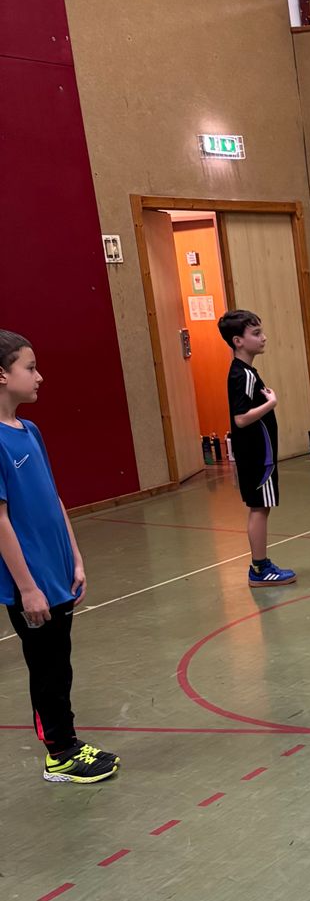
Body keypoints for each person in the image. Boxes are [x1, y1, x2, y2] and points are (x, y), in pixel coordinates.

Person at [0, 331, 119, 784]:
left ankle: (68, 738)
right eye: (29, 368)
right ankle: (60, 754)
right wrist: (27, 588)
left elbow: (54, 498)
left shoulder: (30, 431)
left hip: (57, 572)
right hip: (29, 582)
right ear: (2, 374)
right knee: (46, 666)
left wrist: (76, 557)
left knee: (60, 661)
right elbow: (1, 521)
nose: (39, 376)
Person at [219, 309, 296, 586]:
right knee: (259, 508)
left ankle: (261, 564)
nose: (263, 338)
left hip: (258, 453)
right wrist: (270, 404)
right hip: (256, 454)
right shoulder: (243, 375)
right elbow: (240, 419)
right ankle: (260, 568)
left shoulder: (246, 372)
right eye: (256, 333)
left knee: (261, 507)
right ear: (238, 341)